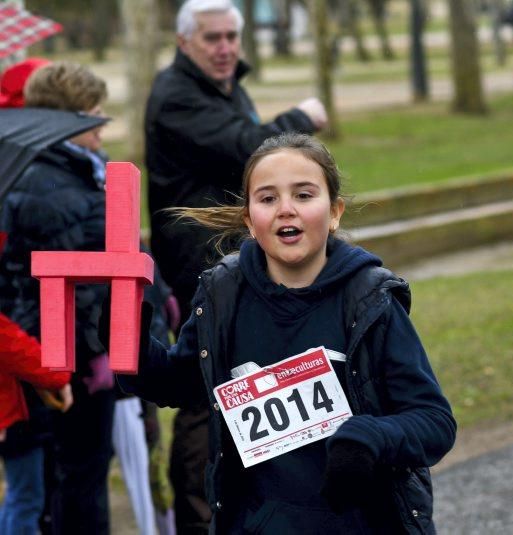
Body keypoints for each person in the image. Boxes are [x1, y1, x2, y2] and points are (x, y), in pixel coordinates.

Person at [118, 132, 456, 533]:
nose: (285, 210)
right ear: (249, 219)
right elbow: (180, 383)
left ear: (335, 212)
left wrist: (370, 437)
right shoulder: (222, 295)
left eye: (304, 195)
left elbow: (434, 421)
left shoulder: (370, 300)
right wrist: (126, 338)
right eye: (267, 198)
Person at [144, 2, 328, 529]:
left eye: (231, 36)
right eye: (212, 38)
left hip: (237, 256)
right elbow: (251, 148)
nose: (225, 48)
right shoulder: (176, 96)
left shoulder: (223, 86)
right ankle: (200, 521)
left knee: (246, 386)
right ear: (184, 43)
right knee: (206, 394)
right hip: (201, 264)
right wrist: (302, 118)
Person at [0, 61, 115, 533]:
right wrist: (90, 350)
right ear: (70, 122)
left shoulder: (80, 171)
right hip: (65, 359)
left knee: (56, 483)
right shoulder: (51, 184)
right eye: (94, 116)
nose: (102, 128)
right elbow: (70, 280)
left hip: (58, 357)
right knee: (67, 483)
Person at [0, 314, 72, 535]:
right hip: (10, 416)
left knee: (17, 496)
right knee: (26, 499)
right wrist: (60, 376)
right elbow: (14, 346)